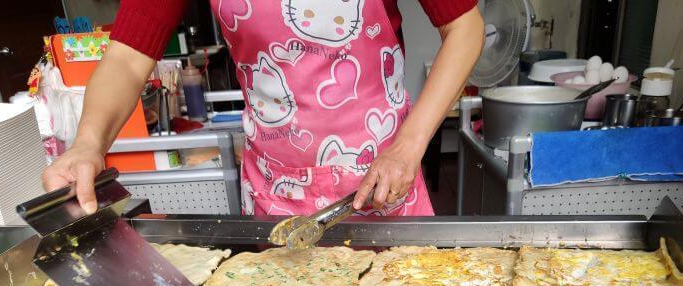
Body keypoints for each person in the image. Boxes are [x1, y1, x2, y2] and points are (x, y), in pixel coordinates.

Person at [43, 0, 483, 217]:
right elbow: (125, 57)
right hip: (278, 193)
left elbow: (464, 27)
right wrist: (87, 143)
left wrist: (408, 147)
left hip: (385, 181)